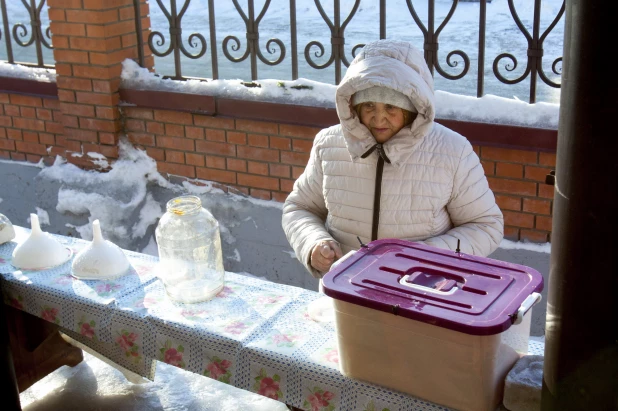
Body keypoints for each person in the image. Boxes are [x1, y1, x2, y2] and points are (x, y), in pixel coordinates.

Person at [282, 39, 504, 278]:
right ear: (352, 105)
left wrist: (427, 257)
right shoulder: (329, 143)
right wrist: (313, 243)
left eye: (391, 107)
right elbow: (299, 208)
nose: (378, 119)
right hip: (345, 294)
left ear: (413, 108)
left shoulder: (452, 150)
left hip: (422, 299)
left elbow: (485, 226)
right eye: (368, 105)